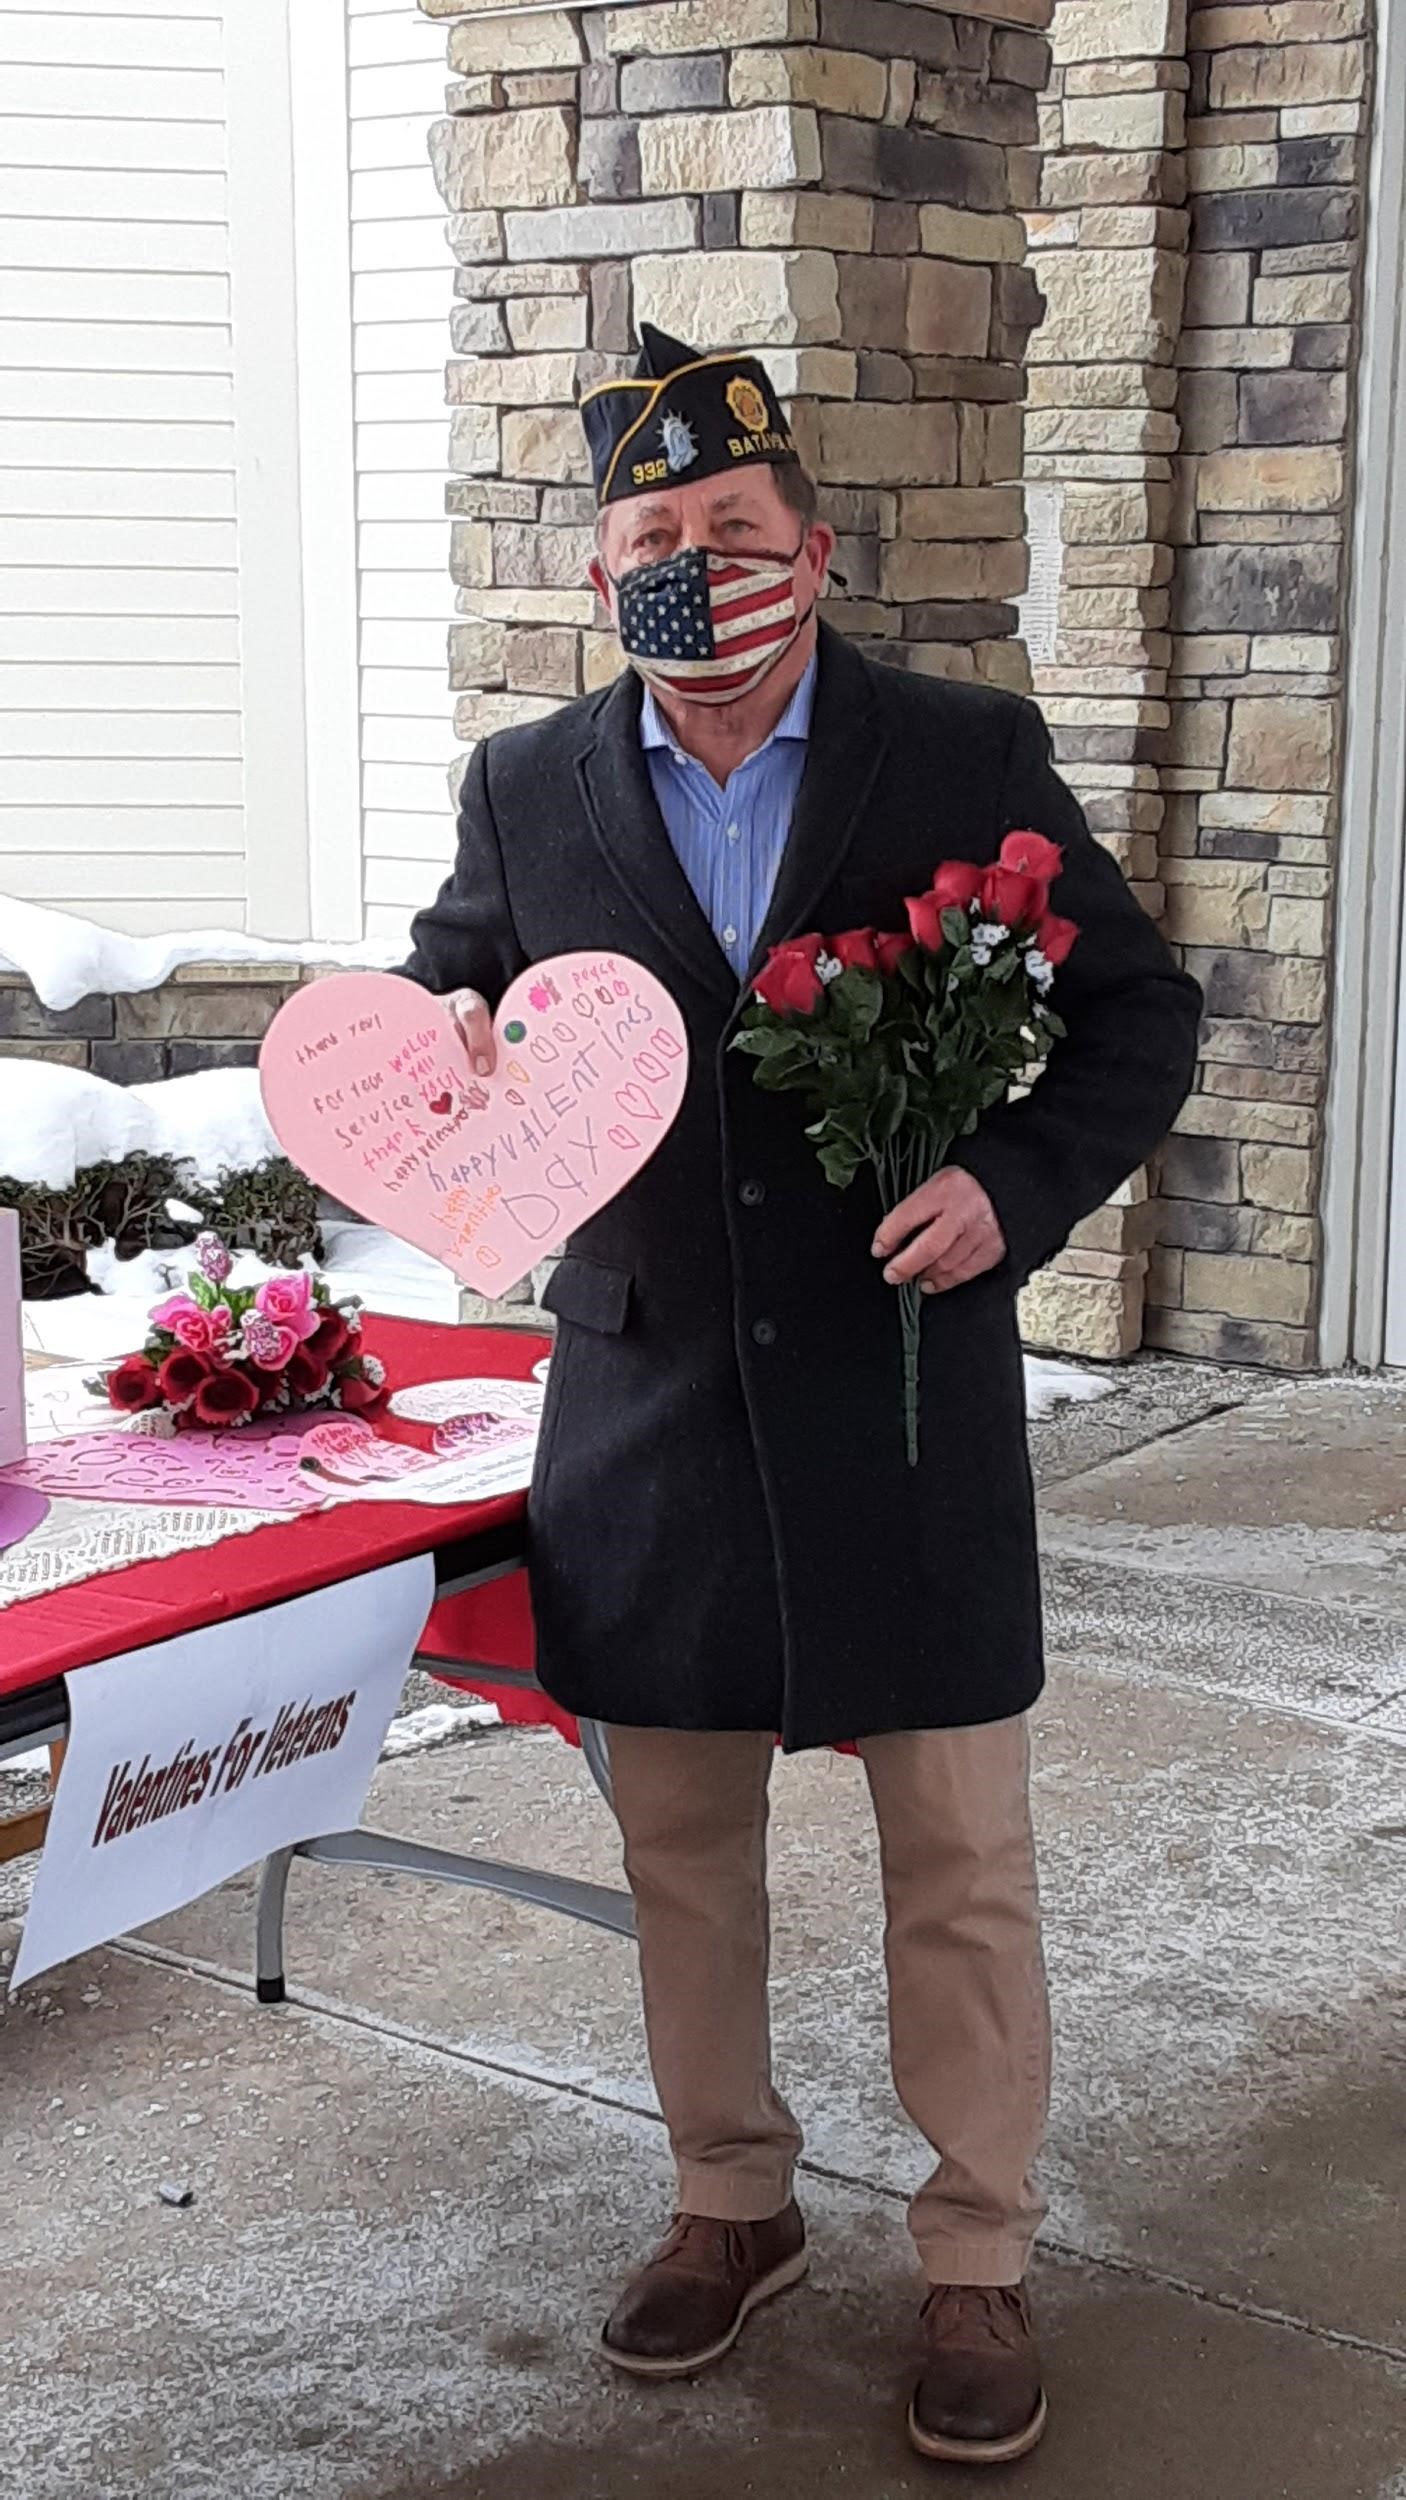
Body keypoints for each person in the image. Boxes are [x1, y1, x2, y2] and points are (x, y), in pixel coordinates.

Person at [404, 324, 1202, 2467]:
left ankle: (976, 2246)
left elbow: (1136, 1008)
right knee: (686, 1850)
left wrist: (1014, 1180)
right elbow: (444, 1005)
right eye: (651, 536)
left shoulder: (957, 754)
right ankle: (727, 2200)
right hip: (649, 1409)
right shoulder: (528, 787)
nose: (695, 566)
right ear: (601, 575)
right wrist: (438, 1075)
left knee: (956, 1850)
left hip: (903, 1397)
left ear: (815, 547)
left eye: (733, 530)